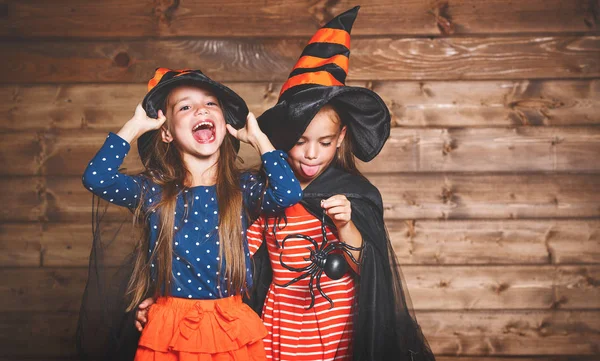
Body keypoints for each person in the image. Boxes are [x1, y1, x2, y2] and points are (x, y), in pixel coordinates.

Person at [246, 7, 436, 361]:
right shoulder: (263, 192)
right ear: (283, 138)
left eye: (325, 142)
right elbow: (233, 258)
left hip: (338, 325)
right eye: (300, 141)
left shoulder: (355, 194)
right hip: (281, 322)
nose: (311, 154)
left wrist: (346, 224)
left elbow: (371, 270)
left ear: (341, 138)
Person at [77, 68, 302, 361]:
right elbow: (97, 178)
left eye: (211, 103)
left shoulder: (241, 189)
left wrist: (259, 139)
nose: (200, 109)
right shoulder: (153, 192)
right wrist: (133, 127)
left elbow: (289, 192)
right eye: (185, 106)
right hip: (168, 327)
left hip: (230, 324)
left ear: (224, 123)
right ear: (167, 132)